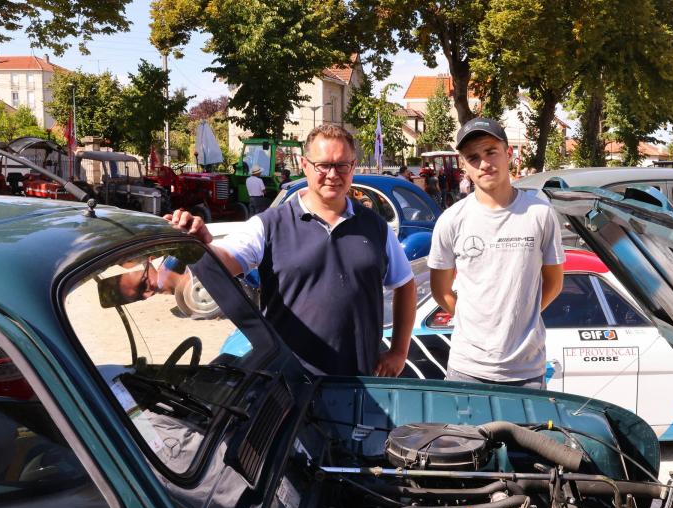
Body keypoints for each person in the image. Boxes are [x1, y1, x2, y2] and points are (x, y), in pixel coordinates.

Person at [166, 124, 417, 377]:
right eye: (323, 165)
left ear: (353, 168)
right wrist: (201, 245)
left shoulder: (376, 227)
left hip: (359, 380)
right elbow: (225, 262)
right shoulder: (269, 225)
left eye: (342, 165)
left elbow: (405, 284)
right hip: (289, 385)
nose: (333, 174)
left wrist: (399, 353)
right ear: (305, 165)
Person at [428, 118, 565, 388]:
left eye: (491, 151)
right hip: (467, 369)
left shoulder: (540, 214)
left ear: (509, 153)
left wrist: (520, 317)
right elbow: (441, 291)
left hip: (526, 370)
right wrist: (475, 321)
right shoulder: (451, 220)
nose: (484, 163)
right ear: (464, 166)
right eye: (473, 157)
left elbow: (554, 283)